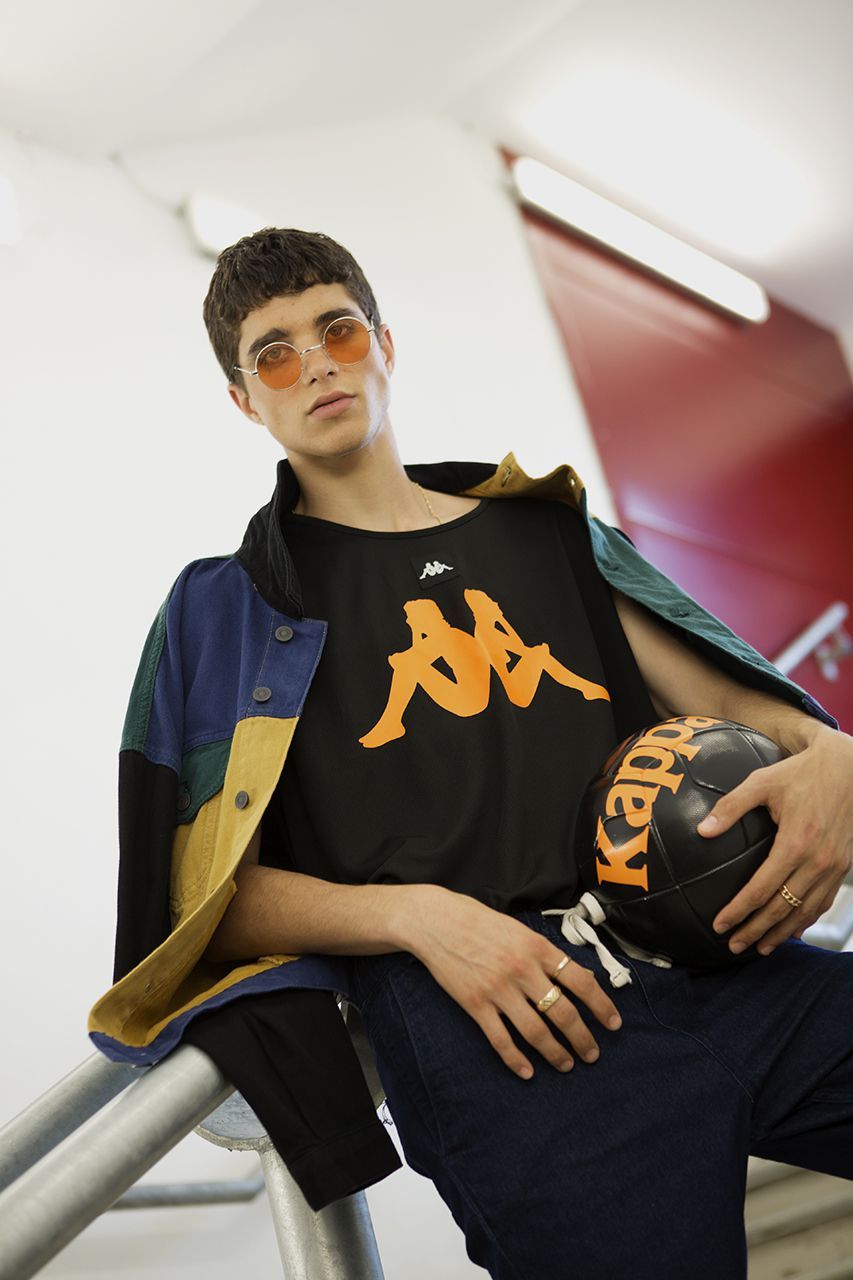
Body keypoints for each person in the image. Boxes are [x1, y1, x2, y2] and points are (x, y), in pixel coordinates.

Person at [89, 227, 853, 1279]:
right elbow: (207, 897)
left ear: (383, 345)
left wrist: (830, 753)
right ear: (244, 400)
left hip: (719, 960)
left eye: (336, 331)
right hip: (507, 1033)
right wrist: (415, 914)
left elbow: (744, 705)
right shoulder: (227, 607)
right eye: (274, 354)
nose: (315, 365)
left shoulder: (549, 532)